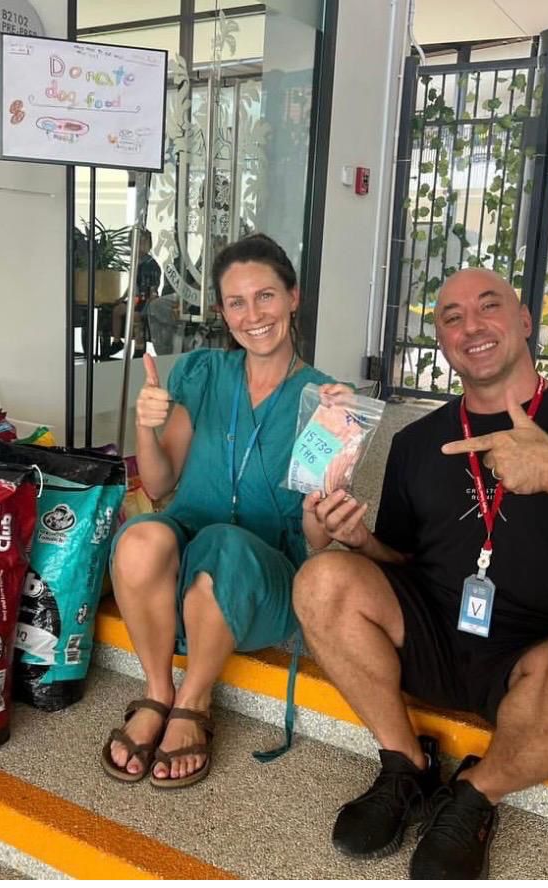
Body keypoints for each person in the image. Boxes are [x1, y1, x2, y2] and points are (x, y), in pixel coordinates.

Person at [293, 268, 548, 879]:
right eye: (452, 317)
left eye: (489, 306)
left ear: (525, 319)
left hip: (535, 657)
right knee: (322, 577)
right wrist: (360, 542)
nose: (472, 326)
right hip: (434, 633)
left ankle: (476, 791)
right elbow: (403, 563)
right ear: (441, 339)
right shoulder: (417, 441)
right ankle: (406, 765)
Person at [102, 233, 345, 789]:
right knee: (140, 538)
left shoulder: (328, 401)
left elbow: (318, 540)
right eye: (236, 302)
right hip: (186, 554)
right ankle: (158, 691)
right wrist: (145, 424)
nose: (252, 315)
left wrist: (325, 508)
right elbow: (160, 484)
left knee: (226, 546)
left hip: (262, 579)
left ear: (293, 298)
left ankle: (193, 702)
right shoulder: (205, 373)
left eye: (266, 296)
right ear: (222, 311)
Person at [109, 229, 162, 357]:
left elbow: (153, 289)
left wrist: (149, 304)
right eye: (137, 243)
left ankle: (139, 348)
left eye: (144, 243)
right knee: (117, 310)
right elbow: (132, 284)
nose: (140, 246)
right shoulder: (136, 263)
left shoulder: (151, 265)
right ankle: (117, 342)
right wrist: (123, 297)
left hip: (146, 300)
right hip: (136, 299)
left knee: (136, 315)